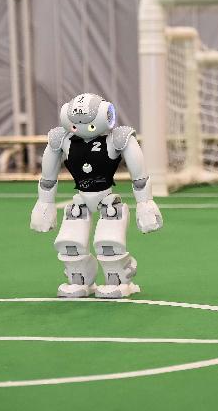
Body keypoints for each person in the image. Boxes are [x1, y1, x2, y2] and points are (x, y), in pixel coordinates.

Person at [29, 93, 163, 299]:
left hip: (107, 200)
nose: (82, 128)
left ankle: (118, 280)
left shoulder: (117, 138)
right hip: (80, 200)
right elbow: (48, 177)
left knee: (109, 242)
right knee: (69, 243)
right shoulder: (62, 140)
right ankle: (79, 280)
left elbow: (139, 174)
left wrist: (145, 202)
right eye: (75, 124)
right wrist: (44, 202)